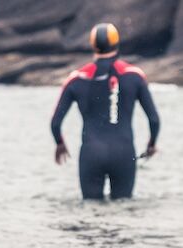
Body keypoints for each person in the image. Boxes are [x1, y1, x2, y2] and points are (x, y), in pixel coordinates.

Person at [50, 22, 160, 201]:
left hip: (91, 154)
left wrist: (60, 143)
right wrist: (151, 144)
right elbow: (154, 120)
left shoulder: (76, 78)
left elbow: (55, 123)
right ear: (117, 44)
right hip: (124, 153)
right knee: (123, 212)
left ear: (93, 45)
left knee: (91, 213)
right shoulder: (134, 75)